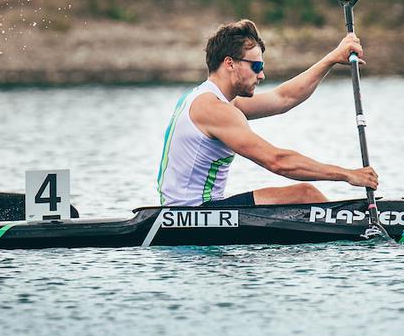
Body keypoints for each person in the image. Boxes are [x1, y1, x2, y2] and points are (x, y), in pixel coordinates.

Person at [156, 19, 379, 206]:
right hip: (191, 214)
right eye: (256, 67)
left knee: (304, 196)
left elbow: (285, 98)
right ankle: (354, 229)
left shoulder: (213, 99)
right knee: (305, 195)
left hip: (196, 211)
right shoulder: (213, 109)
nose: (261, 76)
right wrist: (348, 174)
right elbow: (277, 161)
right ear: (230, 63)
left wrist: (332, 58)